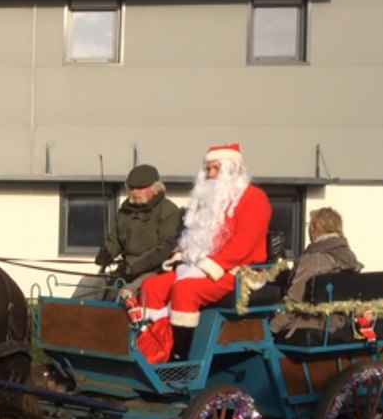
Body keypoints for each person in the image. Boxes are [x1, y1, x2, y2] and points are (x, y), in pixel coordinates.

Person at [134, 143, 272, 362]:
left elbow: (242, 246)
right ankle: (151, 345)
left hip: (238, 271)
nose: (209, 174)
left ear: (232, 169)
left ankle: (179, 358)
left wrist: (206, 267)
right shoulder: (207, 200)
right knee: (152, 285)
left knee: (185, 290)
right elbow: (191, 237)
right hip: (198, 266)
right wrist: (182, 258)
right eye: (207, 169)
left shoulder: (254, 199)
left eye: (215, 168)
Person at [269, 207, 362, 339]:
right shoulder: (349, 258)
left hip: (313, 322)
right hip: (341, 320)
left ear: (314, 229)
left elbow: (293, 302)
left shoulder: (314, 260)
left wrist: (273, 325)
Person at [94, 163, 182, 292]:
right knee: (91, 285)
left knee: (127, 293)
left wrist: (133, 265)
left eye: (140, 188)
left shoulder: (168, 211)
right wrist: (107, 252)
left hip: (155, 270)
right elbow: (115, 239)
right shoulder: (125, 211)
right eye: (131, 188)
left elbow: (165, 248)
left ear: (155, 189)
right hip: (126, 269)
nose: (134, 192)